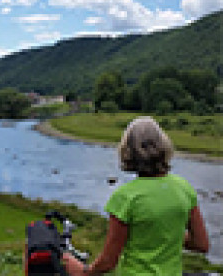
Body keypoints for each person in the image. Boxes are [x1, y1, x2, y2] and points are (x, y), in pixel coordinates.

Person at [63, 116, 209, 276]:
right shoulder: (184, 188)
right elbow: (201, 244)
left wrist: (84, 271)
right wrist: (167, 236)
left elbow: (108, 261)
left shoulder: (125, 197)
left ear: (127, 152)